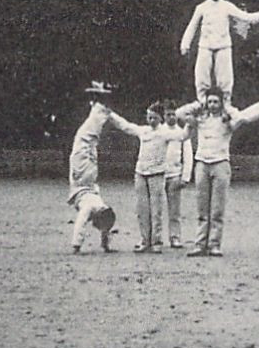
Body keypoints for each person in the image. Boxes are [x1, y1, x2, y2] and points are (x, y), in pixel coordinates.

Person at [174, 91, 259, 257]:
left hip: (221, 163)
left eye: (216, 102)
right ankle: (200, 244)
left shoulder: (227, 121)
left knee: (217, 208)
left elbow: (241, 117)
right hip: (202, 163)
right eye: (210, 102)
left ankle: (214, 244)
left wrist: (227, 108)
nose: (212, 105)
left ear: (221, 103)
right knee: (202, 207)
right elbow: (179, 113)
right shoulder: (200, 119)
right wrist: (198, 104)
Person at [178, 0, 259, 102]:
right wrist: (185, 45)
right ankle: (203, 102)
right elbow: (192, 26)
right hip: (205, 46)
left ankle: (225, 103)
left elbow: (244, 16)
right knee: (202, 76)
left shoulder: (227, 6)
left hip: (223, 46)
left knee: (225, 77)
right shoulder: (201, 7)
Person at [112, 103, 183, 253]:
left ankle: (156, 241)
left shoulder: (165, 132)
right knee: (142, 209)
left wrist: (191, 123)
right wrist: (109, 114)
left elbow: (182, 136)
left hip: (157, 174)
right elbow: (125, 126)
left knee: (156, 210)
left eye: (154, 118)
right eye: (149, 117)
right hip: (141, 173)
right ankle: (144, 240)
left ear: (160, 118)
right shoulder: (143, 131)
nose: (151, 121)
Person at [68, 85, 130, 253]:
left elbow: (81, 223)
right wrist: (105, 246)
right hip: (88, 179)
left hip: (82, 178)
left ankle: (97, 104)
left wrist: (76, 245)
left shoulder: (90, 208)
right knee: (89, 138)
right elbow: (106, 225)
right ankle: (98, 104)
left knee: (86, 138)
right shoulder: (100, 207)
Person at [161, 102, 194, 248]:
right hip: (158, 175)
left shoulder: (182, 133)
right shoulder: (158, 131)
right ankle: (154, 238)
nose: (171, 117)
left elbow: (188, 156)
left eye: (173, 114)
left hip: (174, 175)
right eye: (168, 114)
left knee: (174, 210)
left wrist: (185, 177)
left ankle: (175, 237)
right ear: (164, 116)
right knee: (155, 209)